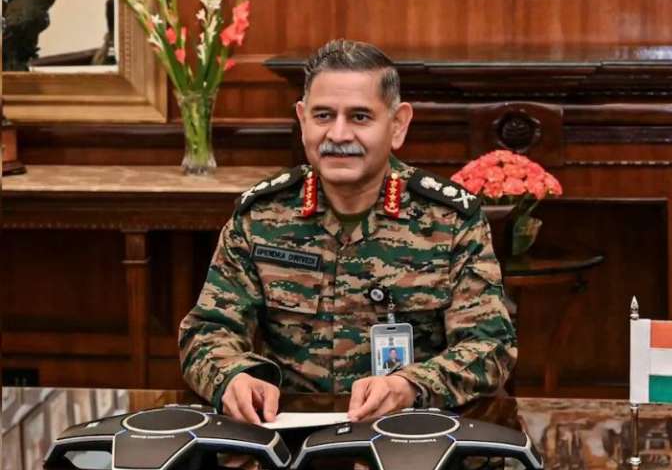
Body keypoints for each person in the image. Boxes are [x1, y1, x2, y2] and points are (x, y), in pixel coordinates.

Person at [179, 39, 516, 425]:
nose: (338, 135)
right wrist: (232, 377)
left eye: (359, 117)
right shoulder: (261, 217)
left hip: (410, 434)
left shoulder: (449, 220)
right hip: (289, 435)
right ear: (303, 120)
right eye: (323, 115)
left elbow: (490, 345)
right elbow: (207, 331)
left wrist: (411, 385)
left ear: (398, 124)